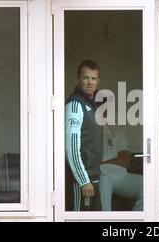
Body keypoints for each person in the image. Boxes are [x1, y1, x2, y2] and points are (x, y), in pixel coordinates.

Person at [65, 60, 103, 211]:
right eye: (86, 78)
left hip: (93, 179)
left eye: (93, 78)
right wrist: (83, 181)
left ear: (98, 81)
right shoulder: (75, 105)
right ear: (78, 79)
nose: (90, 82)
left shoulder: (92, 105)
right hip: (82, 181)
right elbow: (71, 147)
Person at [99, 121, 143, 211]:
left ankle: (135, 219)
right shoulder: (90, 132)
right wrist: (113, 161)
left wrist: (102, 163)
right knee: (104, 179)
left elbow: (125, 160)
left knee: (147, 183)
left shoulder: (116, 131)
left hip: (121, 176)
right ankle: (106, 219)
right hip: (102, 176)